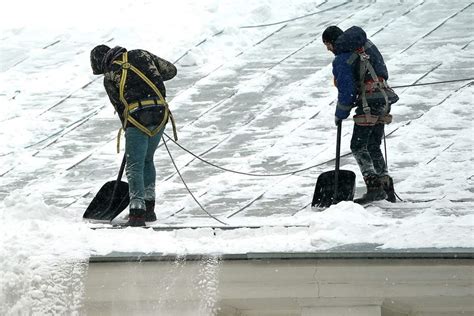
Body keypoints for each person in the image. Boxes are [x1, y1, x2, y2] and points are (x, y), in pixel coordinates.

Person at [90, 45, 177, 226]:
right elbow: (170, 71)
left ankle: (137, 212)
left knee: (134, 165)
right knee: (147, 160)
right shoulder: (142, 54)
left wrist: (130, 130)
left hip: (137, 118)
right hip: (160, 113)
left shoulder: (110, 76)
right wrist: (145, 78)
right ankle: (150, 208)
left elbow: (120, 109)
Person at [322, 26, 398, 204]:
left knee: (357, 146)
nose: (328, 49)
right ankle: (387, 188)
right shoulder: (366, 45)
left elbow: (347, 91)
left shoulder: (342, 58)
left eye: (327, 45)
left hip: (368, 104)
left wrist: (340, 113)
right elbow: (382, 71)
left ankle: (374, 188)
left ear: (332, 42)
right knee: (372, 144)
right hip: (384, 99)